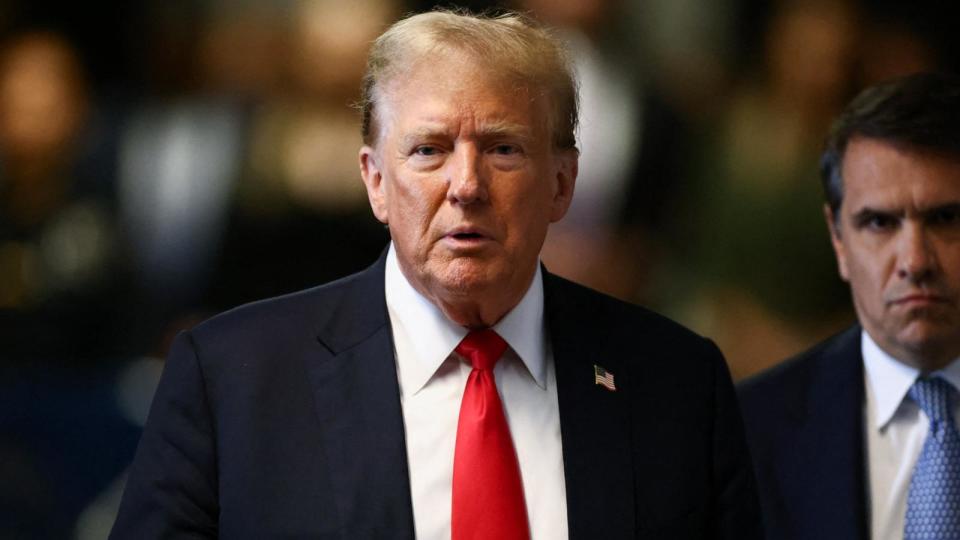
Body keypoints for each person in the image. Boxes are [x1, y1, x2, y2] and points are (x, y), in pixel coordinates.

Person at [111, 10, 759, 539]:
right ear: (375, 182)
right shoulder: (230, 378)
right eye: (429, 150)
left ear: (562, 183)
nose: (467, 186)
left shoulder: (679, 383)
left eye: (503, 149)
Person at [738, 72, 960, 540]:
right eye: (879, 223)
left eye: (944, 218)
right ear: (838, 239)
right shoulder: (746, 433)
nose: (915, 261)